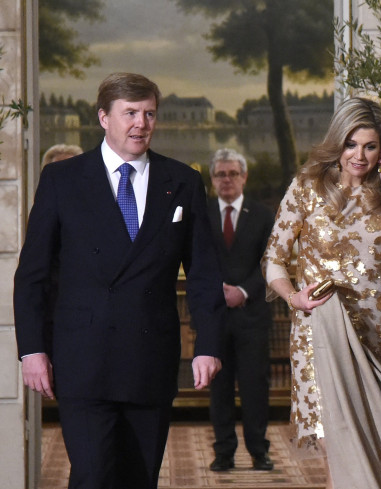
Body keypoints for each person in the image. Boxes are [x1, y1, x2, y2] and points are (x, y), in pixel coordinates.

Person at [14, 72, 225, 489]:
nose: (141, 124)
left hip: (150, 359)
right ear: (103, 118)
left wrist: (209, 345)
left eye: (149, 114)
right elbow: (33, 275)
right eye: (130, 113)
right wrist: (32, 349)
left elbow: (203, 273)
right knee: (92, 476)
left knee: (139, 479)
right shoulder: (63, 180)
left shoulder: (181, 181)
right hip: (83, 361)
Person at [261, 97, 381, 489]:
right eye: (350, 144)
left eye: (370, 146)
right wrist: (294, 298)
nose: (359, 156)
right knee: (338, 446)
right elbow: (274, 260)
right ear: (337, 142)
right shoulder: (307, 187)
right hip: (320, 334)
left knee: (364, 443)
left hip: (380, 338)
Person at [206, 148, 275, 472]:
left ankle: (259, 450)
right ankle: (223, 452)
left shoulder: (262, 216)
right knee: (218, 388)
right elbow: (195, 262)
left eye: (233, 173)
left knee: (253, 387)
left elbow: (271, 264)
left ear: (244, 176)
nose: (227, 179)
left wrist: (244, 291)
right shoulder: (201, 214)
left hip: (252, 318)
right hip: (214, 318)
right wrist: (216, 291)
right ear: (212, 179)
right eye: (221, 174)